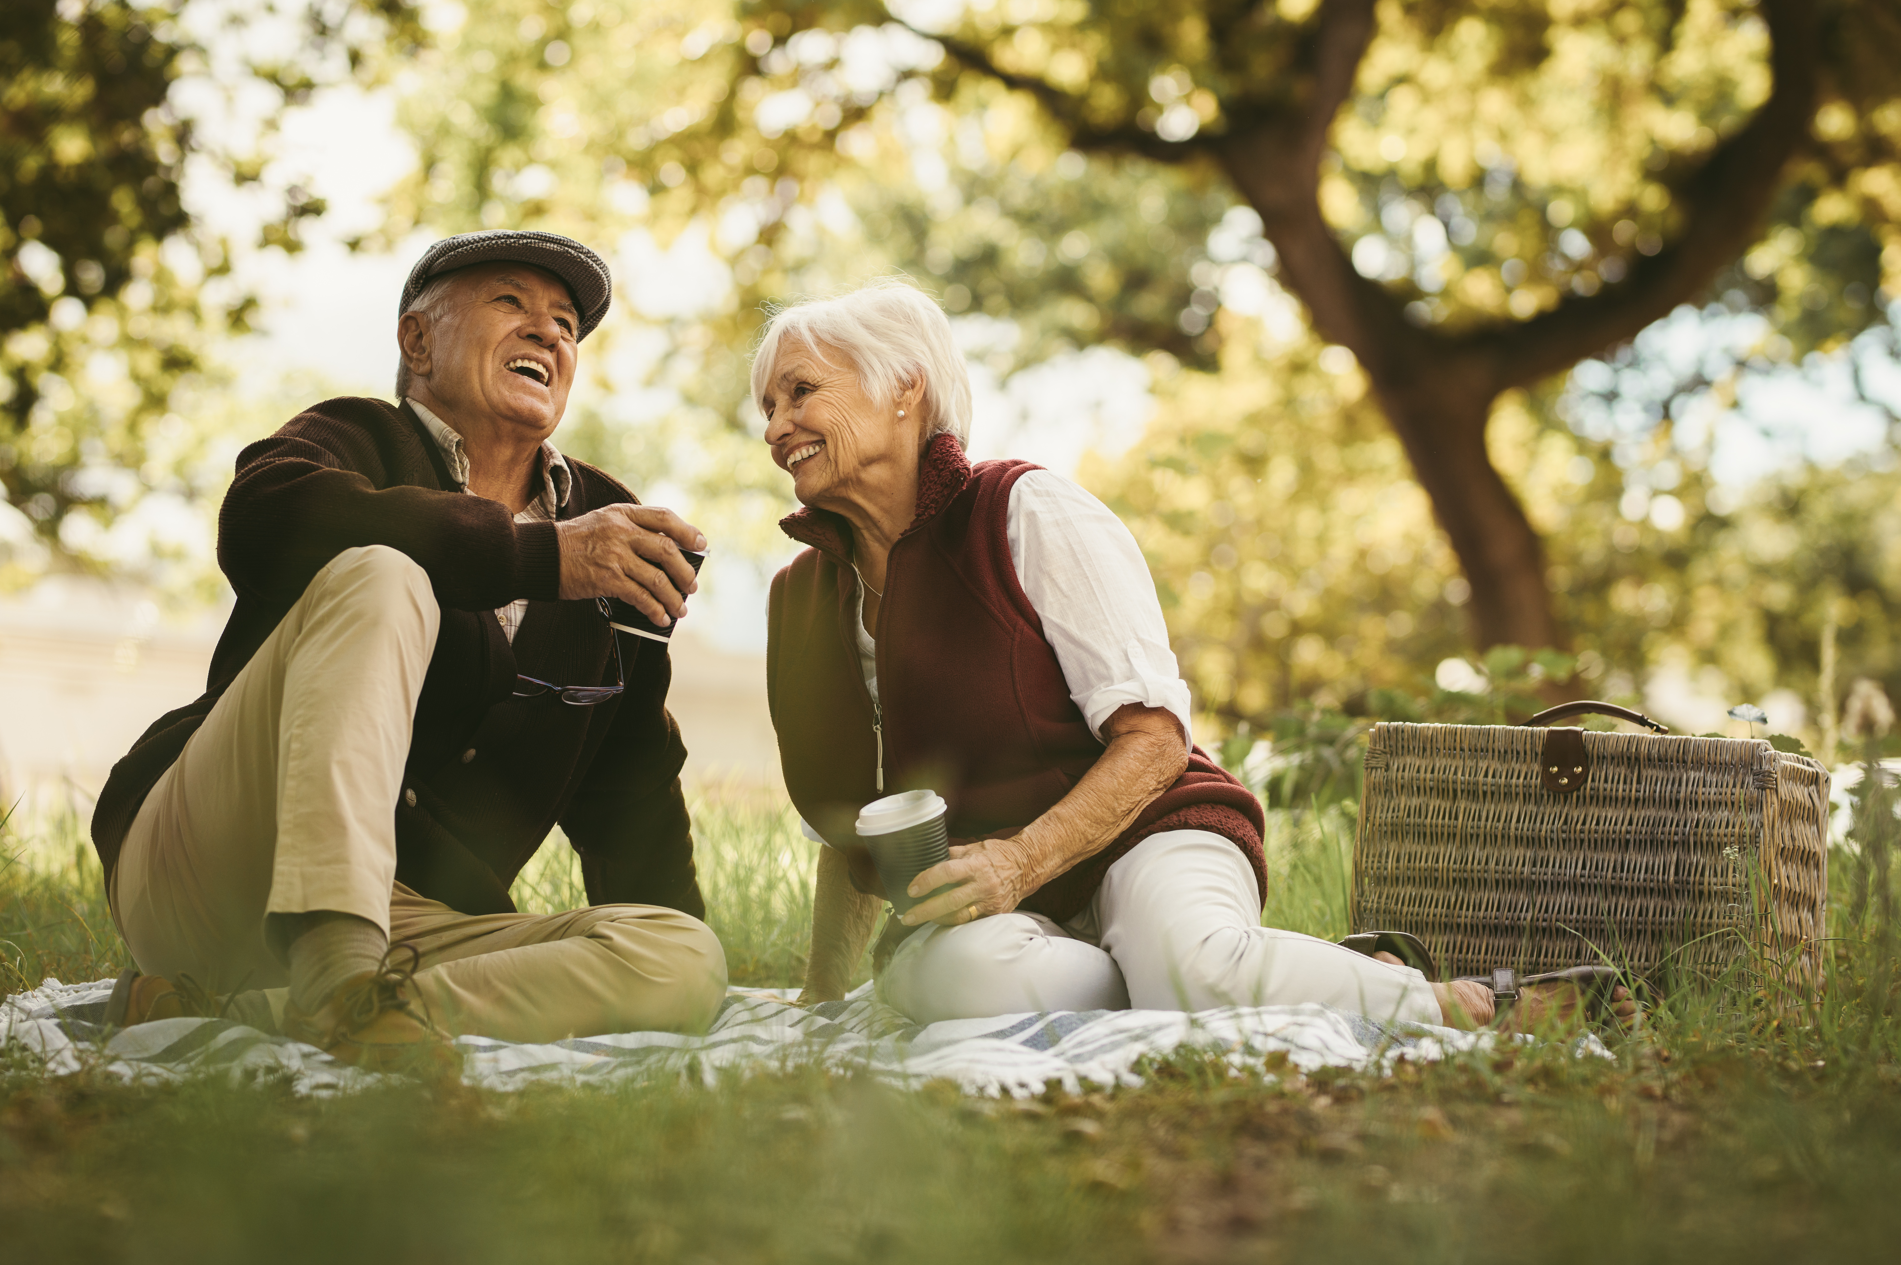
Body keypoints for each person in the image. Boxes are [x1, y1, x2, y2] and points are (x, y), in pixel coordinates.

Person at [754, 278, 1634, 1033]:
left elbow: (1154, 739)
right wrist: (822, 995)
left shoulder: (1025, 513)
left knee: (1187, 961)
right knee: (942, 982)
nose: (777, 426)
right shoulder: (801, 601)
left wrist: (1020, 859)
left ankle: (1460, 1003)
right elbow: (849, 826)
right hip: (1012, 908)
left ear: (903, 386)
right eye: (767, 407)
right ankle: (1231, 980)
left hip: (1152, 833)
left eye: (799, 392)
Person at [91, 230, 728, 1069]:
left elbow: (631, 785)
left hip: (413, 921)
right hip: (215, 867)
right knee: (384, 575)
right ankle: (334, 971)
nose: (547, 332)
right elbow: (259, 520)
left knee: (683, 956)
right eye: (512, 302)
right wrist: (545, 557)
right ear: (416, 341)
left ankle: (280, 1013)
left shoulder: (610, 520)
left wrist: (694, 982)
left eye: (567, 323)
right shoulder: (352, 438)